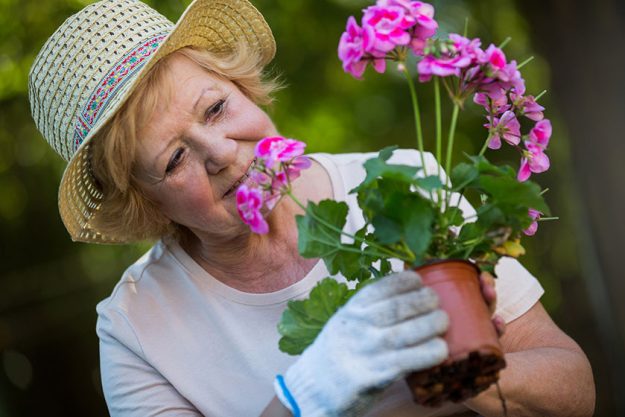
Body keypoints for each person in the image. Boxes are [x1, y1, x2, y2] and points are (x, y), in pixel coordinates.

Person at [28, 0, 595, 416]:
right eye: (175, 160)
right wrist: (314, 392)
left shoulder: (404, 181)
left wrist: (457, 372)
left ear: (244, 87)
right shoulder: (135, 330)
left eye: (217, 108)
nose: (223, 154)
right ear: (143, 202)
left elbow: (574, 389)